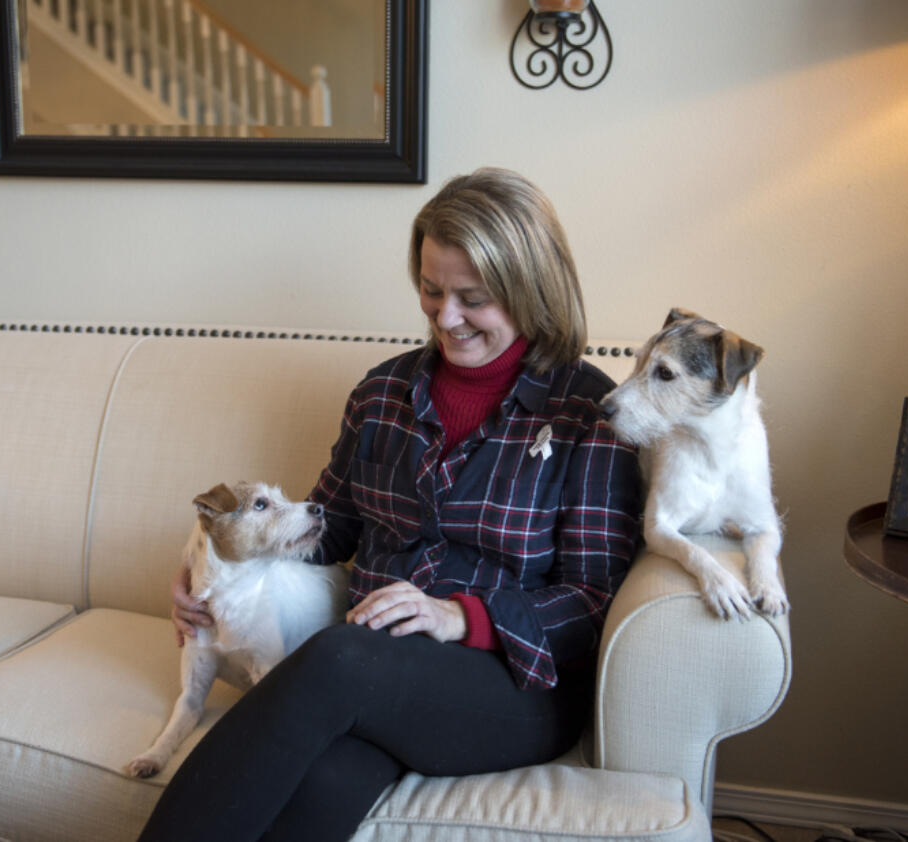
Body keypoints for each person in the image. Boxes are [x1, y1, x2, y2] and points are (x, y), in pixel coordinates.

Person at [138, 167, 643, 842]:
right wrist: (205, 564)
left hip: (511, 686)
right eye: (432, 292)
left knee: (337, 659)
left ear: (530, 288)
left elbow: (594, 601)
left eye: (474, 298)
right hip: (375, 672)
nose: (446, 317)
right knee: (319, 785)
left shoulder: (589, 411)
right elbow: (326, 527)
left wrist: (457, 617)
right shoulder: (381, 395)